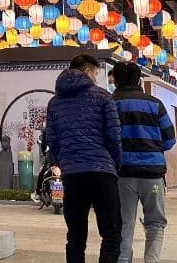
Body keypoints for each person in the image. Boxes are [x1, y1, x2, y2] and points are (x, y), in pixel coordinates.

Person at [45, 55, 121, 263]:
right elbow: (114, 136)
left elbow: (52, 139)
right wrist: (115, 164)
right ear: (87, 71)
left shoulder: (54, 103)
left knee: (75, 235)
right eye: (95, 73)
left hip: (72, 175)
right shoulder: (103, 97)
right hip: (102, 172)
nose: (95, 78)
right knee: (111, 232)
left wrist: (63, 162)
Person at [111, 61, 173, 263]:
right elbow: (170, 140)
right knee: (155, 222)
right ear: (138, 80)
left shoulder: (110, 104)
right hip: (152, 174)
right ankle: (152, 260)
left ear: (115, 81)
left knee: (124, 223)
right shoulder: (155, 104)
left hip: (122, 175)